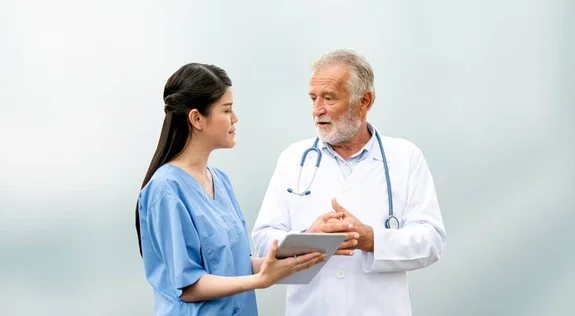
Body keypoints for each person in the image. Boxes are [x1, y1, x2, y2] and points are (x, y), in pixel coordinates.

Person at [252, 49, 447, 316]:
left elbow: (431, 240)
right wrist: (309, 238)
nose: (316, 110)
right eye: (313, 98)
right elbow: (263, 240)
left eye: (329, 98)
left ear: (364, 101)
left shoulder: (406, 158)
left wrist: (371, 239)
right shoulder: (292, 159)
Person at [135, 63, 326, 316]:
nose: (235, 118)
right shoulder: (165, 191)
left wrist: (304, 250)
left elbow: (236, 265)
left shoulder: (221, 181)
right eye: (227, 110)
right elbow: (189, 285)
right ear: (196, 118)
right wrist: (261, 280)